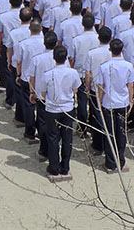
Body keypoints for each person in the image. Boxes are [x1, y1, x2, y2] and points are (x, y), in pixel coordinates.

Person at [41, 43, 81, 181]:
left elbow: (42, 93)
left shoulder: (48, 74)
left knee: (52, 138)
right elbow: (76, 89)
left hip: (52, 108)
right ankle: (65, 166)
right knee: (67, 137)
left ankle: (54, 166)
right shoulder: (73, 73)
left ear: (54, 58)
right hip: (68, 108)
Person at [96, 38, 134, 172]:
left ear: (110, 50)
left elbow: (100, 86)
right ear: (122, 50)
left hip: (108, 103)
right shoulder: (128, 65)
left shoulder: (104, 66)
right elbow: (130, 85)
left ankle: (110, 162)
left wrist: (99, 102)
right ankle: (121, 160)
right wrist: (130, 100)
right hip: (122, 102)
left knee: (110, 133)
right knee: (121, 133)